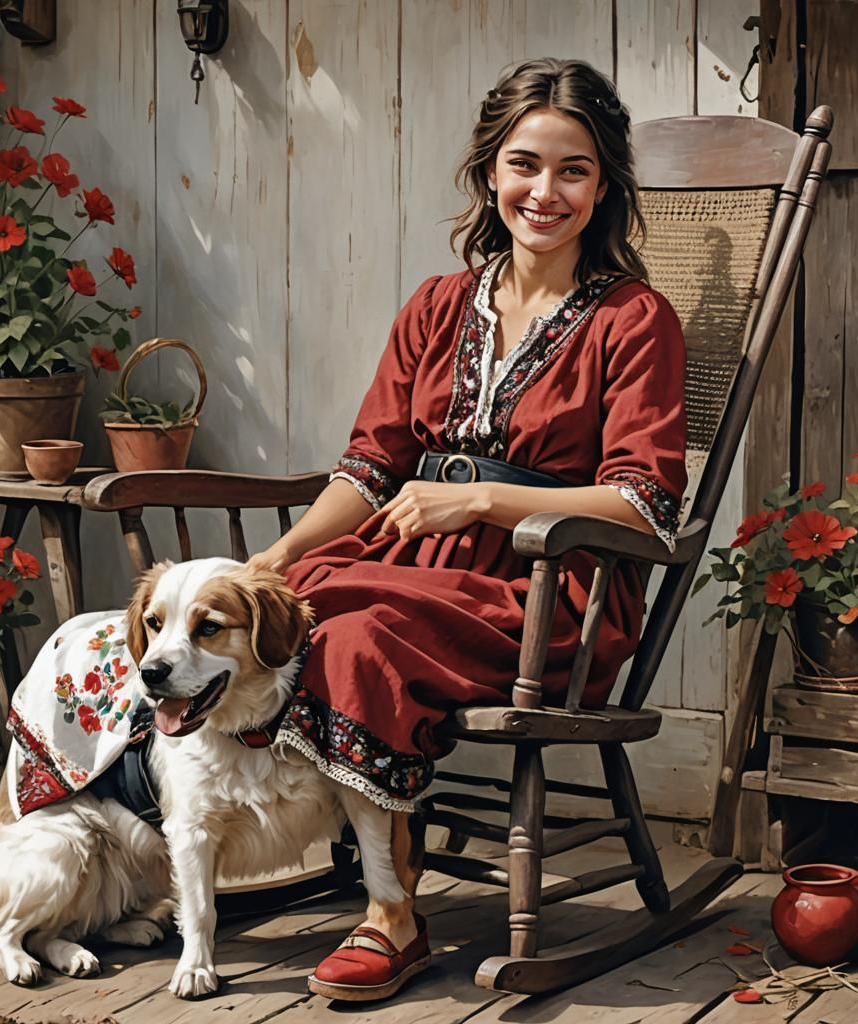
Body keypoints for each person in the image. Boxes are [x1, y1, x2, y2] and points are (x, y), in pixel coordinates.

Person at [248, 57, 686, 1000]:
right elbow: (369, 470)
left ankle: (391, 916)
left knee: (354, 633)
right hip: (415, 563)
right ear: (490, 172)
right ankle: (186, 839)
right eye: (525, 164)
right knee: (283, 608)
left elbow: (643, 505)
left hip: (549, 593)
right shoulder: (437, 305)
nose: (545, 192)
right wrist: (280, 554)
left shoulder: (633, 319)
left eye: (573, 171)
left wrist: (483, 501)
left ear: (603, 187)